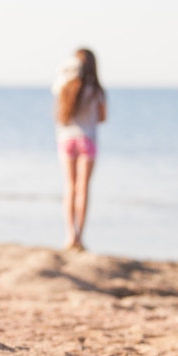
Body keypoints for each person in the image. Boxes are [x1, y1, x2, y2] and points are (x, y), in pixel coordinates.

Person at [52, 48, 106, 251]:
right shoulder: (96, 91)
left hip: (66, 139)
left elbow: (61, 114)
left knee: (69, 187)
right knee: (83, 189)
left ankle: (69, 235)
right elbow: (102, 117)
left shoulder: (65, 87)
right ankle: (80, 237)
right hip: (87, 140)